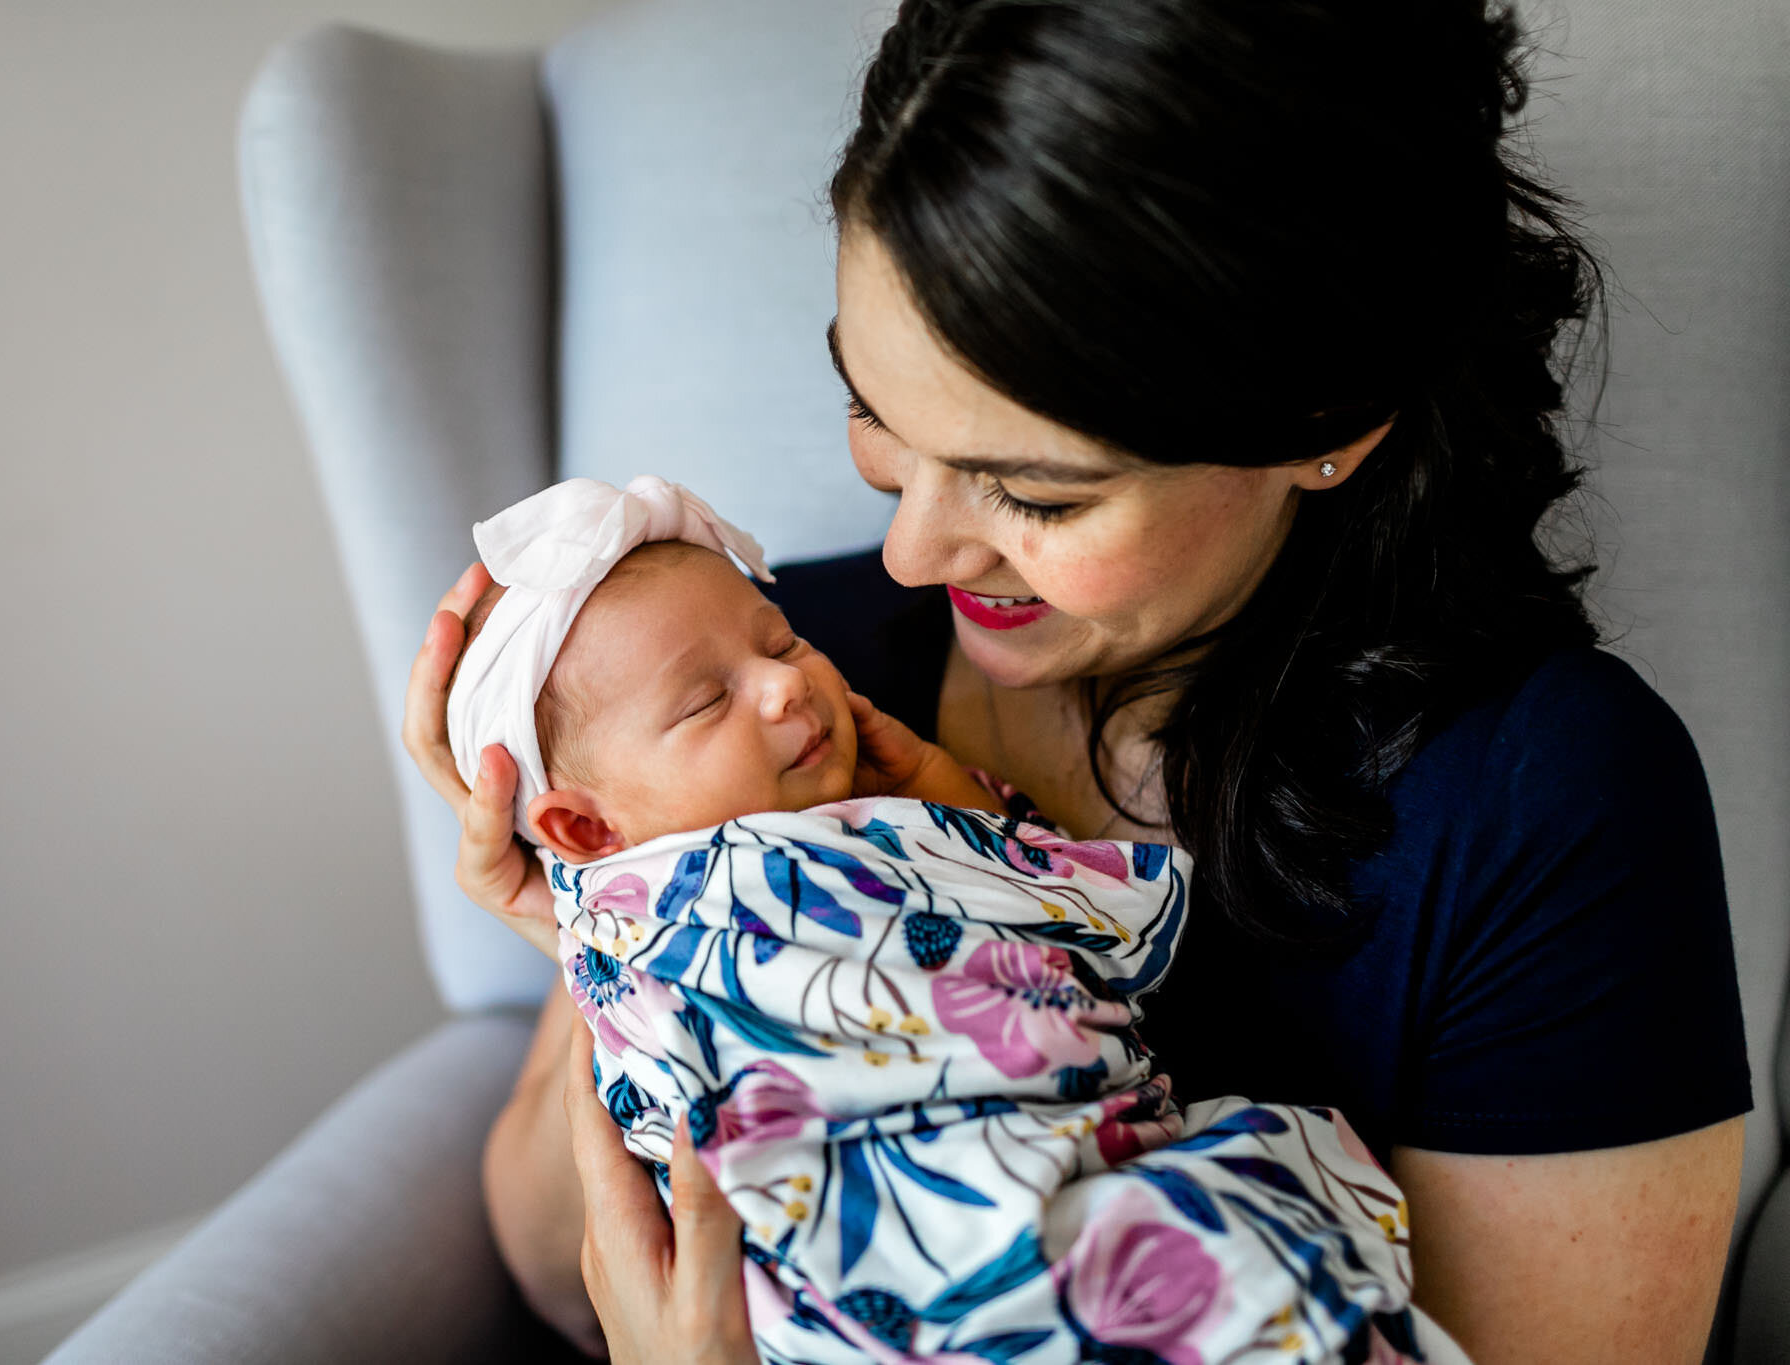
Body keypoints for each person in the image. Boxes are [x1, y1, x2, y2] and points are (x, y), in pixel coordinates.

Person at [400, 2, 1752, 1361]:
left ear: (1323, 424)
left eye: (1034, 491)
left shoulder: (1543, 805)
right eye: (874, 412)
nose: (911, 551)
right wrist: (603, 928)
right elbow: (554, 1270)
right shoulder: (766, 663)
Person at [447, 473, 1462, 1364]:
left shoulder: (652, 885)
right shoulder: (811, 856)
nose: (786, 683)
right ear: (578, 824)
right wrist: (965, 813)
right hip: (897, 1255)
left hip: (869, 1282)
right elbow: (1123, 924)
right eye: (703, 704)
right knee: (1226, 1264)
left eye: (778, 638)